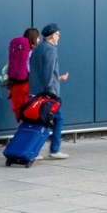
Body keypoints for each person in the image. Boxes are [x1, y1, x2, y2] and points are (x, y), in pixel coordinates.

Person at [29, 23, 70, 160]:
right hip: (47, 93)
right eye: (58, 35)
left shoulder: (38, 48)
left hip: (35, 91)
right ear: (52, 35)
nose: (59, 37)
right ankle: (53, 149)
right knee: (57, 118)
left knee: (39, 120)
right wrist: (50, 93)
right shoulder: (51, 50)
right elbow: (47, 73)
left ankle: (35, 149)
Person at [8, 27, 39, 122]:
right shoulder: (31, 52)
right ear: (33, 38)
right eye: (37, 37)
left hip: (16, 87)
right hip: (27, 87)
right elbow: (32, 70)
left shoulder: (19, 51)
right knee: (31, 115)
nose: (39, 40)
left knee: (24, 116)